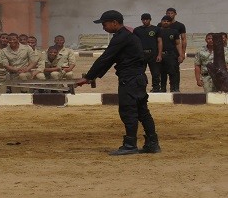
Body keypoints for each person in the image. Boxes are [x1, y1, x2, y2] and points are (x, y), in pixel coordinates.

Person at [77, 10, 160, 155]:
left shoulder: (121, 37)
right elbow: (110, 59)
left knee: (128, 111)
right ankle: (152, 143)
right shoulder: (128, 36)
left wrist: (89, 77)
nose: (103, 27)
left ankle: (130, 145)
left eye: (104, 24)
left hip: (130, 80)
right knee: (142, 111)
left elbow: (106, 58)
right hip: (138, 78)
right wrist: (92, 77)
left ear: (114, 22)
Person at [133, 13, 162, 92]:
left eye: (147, 19)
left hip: (153, 54)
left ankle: (156, 88)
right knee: (140, 72)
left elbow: (159, 42)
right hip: (141, 54)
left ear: (150, 19)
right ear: (141, 20)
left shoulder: (156, 29)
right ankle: (141, 87)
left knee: (155, 73)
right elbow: (134, 42)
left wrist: (159, 54)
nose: (145, 21)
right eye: (143, 20)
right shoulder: (137, 30)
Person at [157, 15, 184, 92]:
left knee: (173, 72)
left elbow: (178, 44)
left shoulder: (174, 31)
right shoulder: (157, 31)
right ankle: (162, 89)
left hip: (171, 55)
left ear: (170, 22)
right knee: (162, 73)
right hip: (160, 55)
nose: (166, 22)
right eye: (164, 21)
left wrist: (181, 55)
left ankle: (174, 88)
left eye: (167, 21)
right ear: (161, 21)